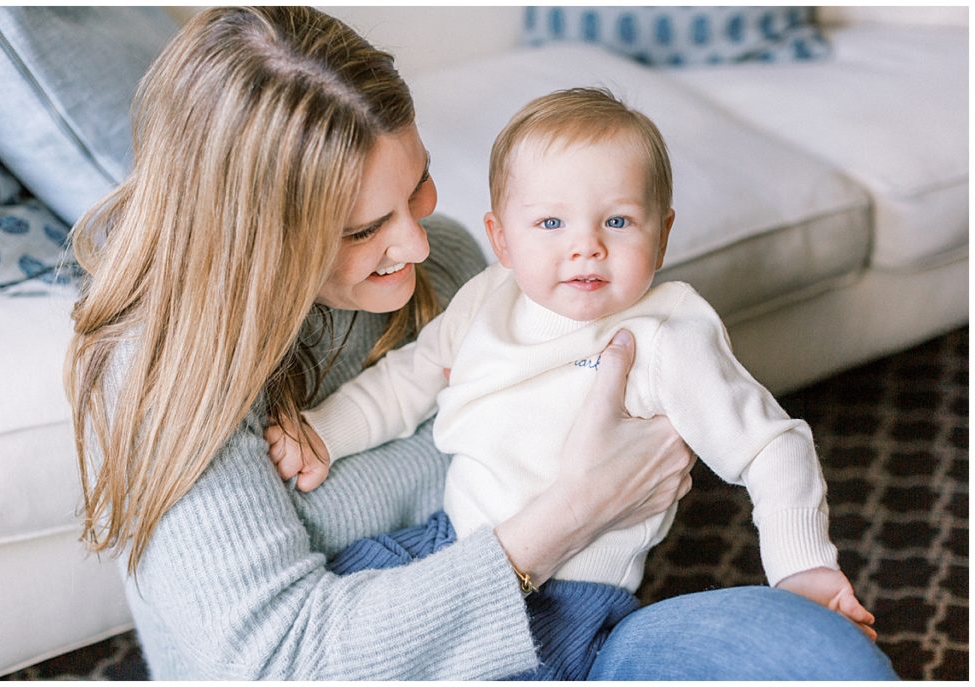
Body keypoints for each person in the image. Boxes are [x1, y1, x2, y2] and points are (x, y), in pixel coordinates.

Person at [65, 6, 897, 680]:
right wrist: (580, 505)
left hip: (563, 620)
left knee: (822, 662)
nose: (420, 244)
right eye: (363, 229)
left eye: (417, 185)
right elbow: (285, 659)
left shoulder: (458, 262)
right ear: (256, 238)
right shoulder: (155, 374)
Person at [267, 87, 883, 679]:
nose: (586, 247)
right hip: (446, 545)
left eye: (616, 221)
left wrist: (803, 566)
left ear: (663, 234)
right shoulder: (486, 297)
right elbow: (412, 375)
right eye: (551, 224)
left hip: (567, 599)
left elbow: (772, 446)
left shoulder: (666, 336)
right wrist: (325, 433)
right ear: (501, 239)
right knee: (339, 618)